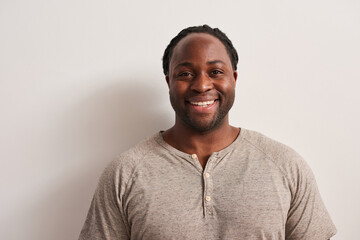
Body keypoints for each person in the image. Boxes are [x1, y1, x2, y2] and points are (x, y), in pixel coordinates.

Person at [79, 25, 336, 239]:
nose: (201, 85)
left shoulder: (286, 166)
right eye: (186, 73)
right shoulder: (124, 173)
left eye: (215, 72)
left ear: (233, 78)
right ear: (169, 81)